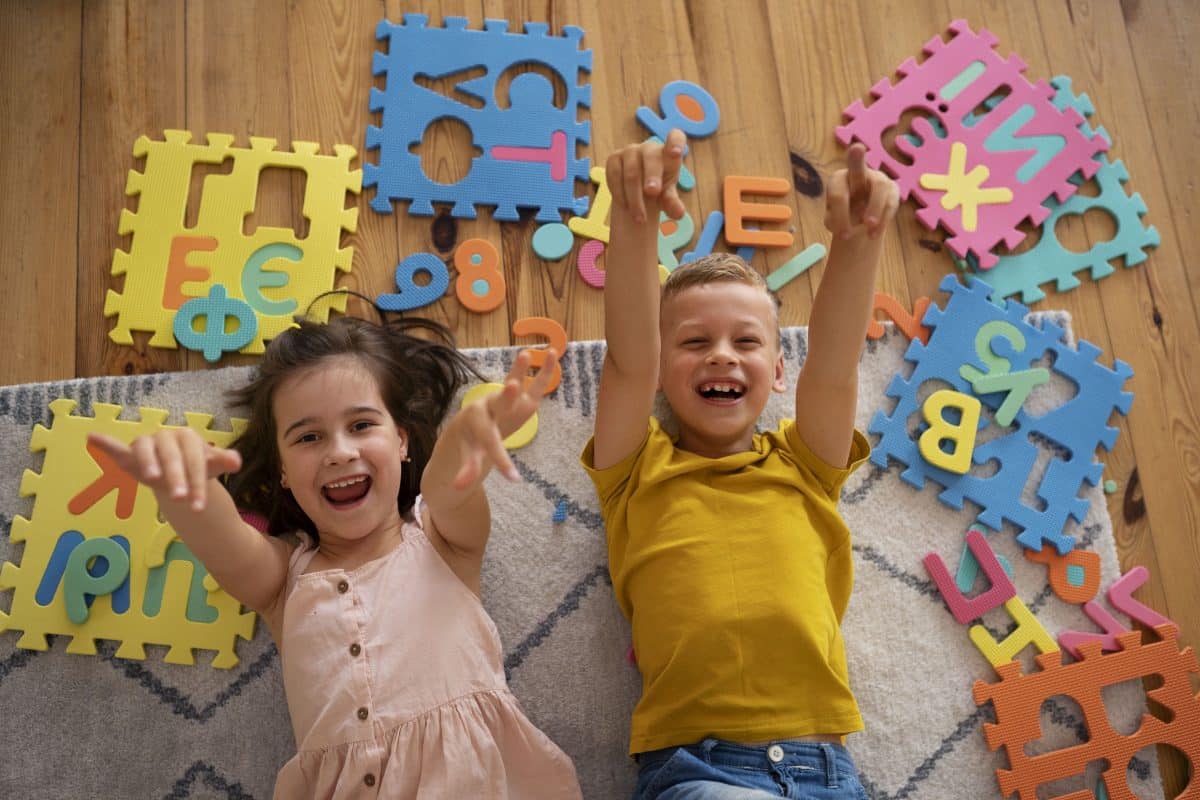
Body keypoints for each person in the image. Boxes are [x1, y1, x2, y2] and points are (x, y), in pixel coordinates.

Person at [90, 309, 583, 799]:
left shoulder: (444, 541)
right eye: (308, 437)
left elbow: (449, 485)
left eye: (362, 425)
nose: (340, 452)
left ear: (402, 441)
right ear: (282, 471)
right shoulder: (283, 582)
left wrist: (464, 437)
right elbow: (220, 537)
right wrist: (183, 482)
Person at [581, 128, 899, 799]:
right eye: (695, 342)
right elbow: (628, 361)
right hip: (702, 770)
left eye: (746, 342)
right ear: (663, 375)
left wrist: (858, 239)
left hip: (828, 770)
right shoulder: (635, 471)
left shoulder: (806, 464)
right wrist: (633, 218)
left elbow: (836, 368)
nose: (722, 355)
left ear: (780, 370)